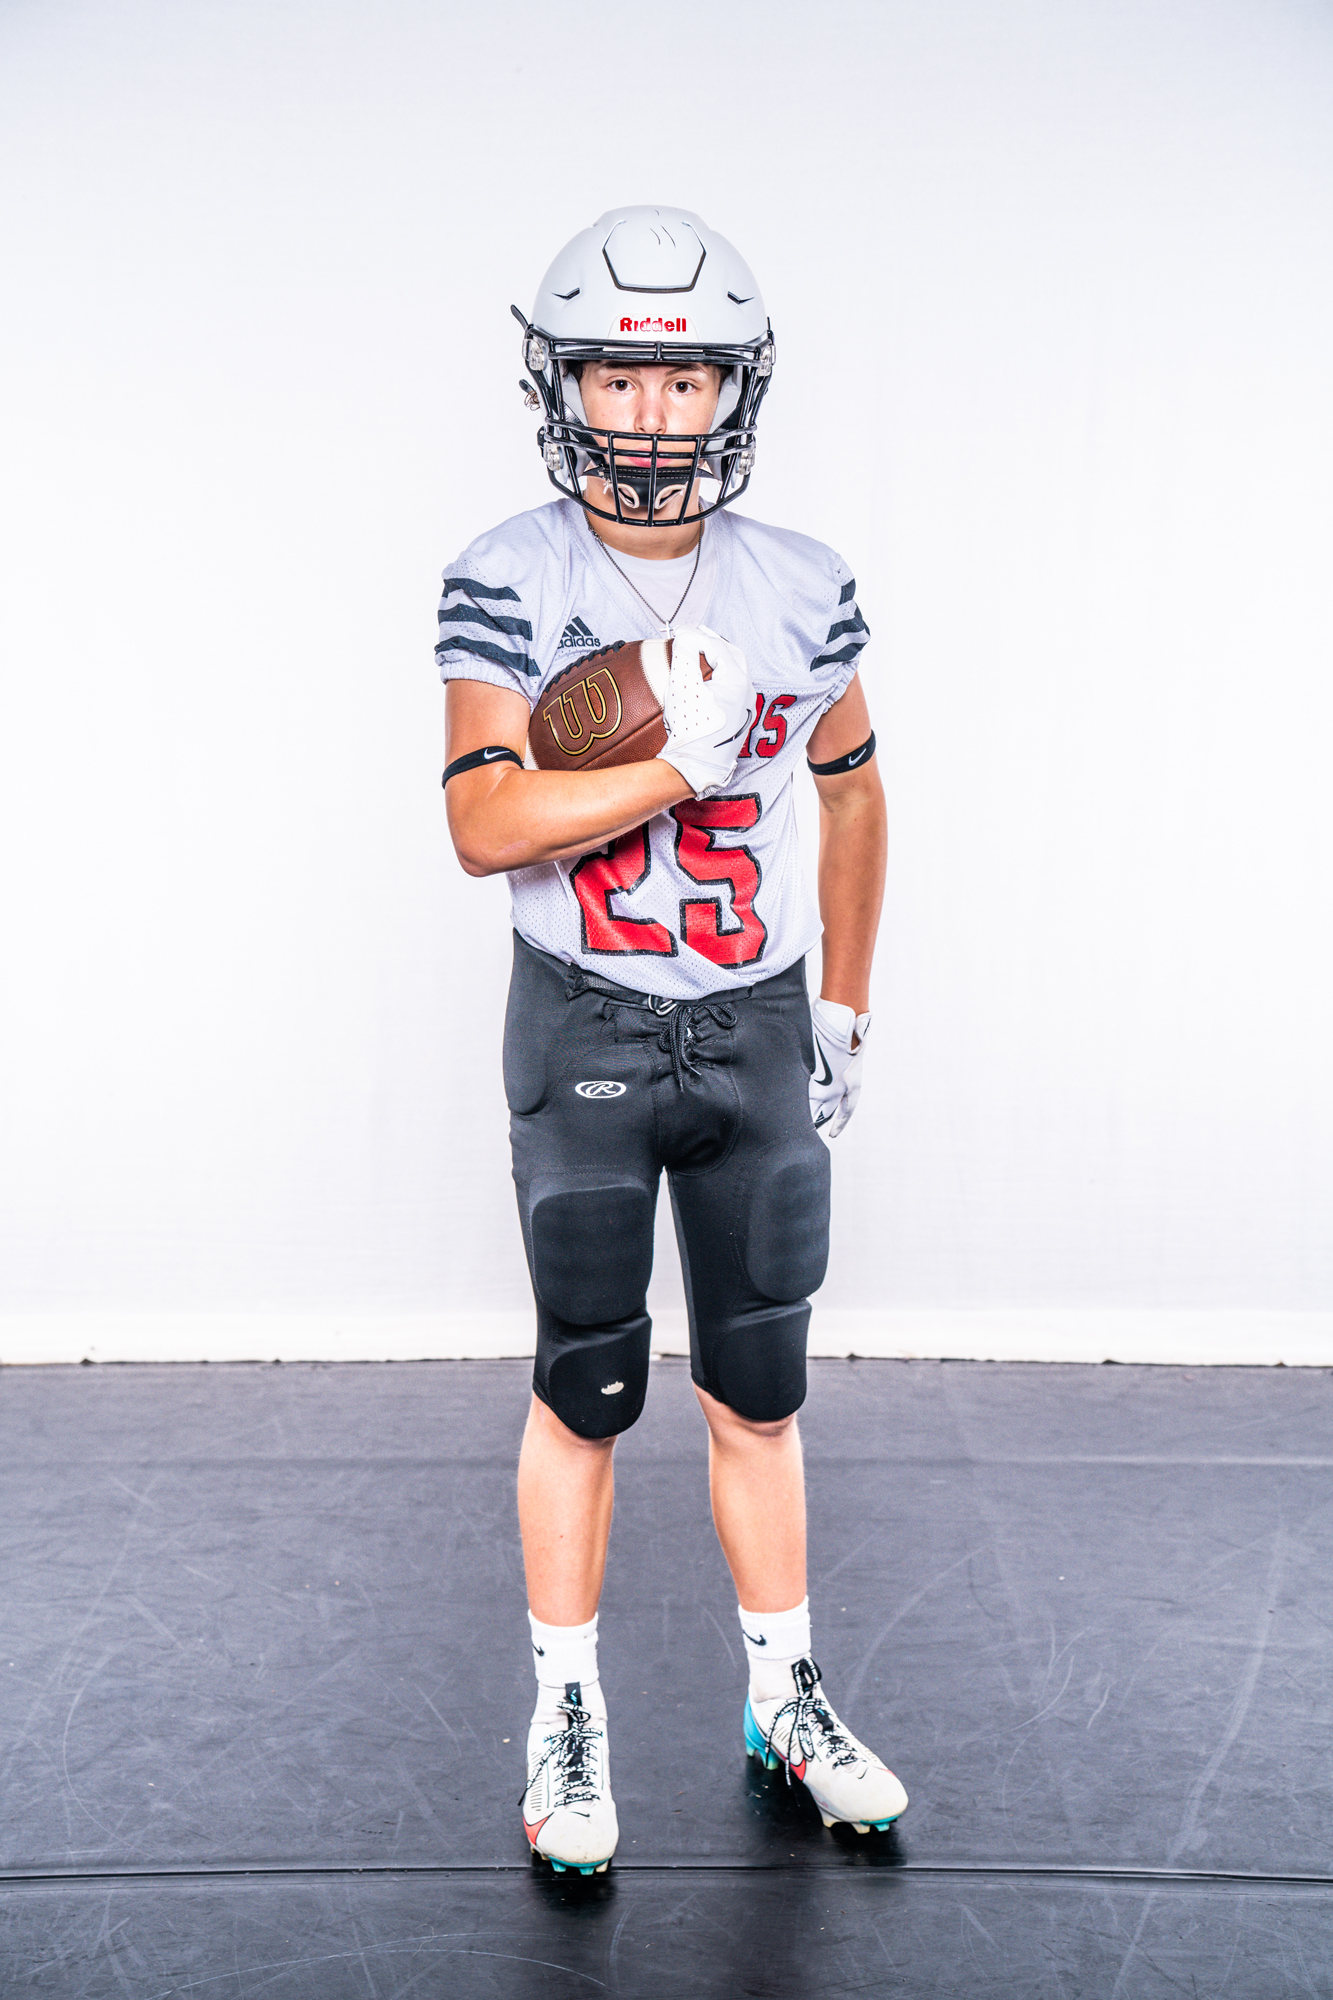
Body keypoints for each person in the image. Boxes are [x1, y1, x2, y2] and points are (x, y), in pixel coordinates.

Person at [437, 206, 908, 1876]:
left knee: (760, 1384)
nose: (649, 415)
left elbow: (854, 791)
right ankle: (565, 1710)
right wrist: (670, 767)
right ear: (561, 387)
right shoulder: (509, 572)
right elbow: (482, 826)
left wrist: (843, 992)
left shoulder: (803, 581)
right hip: (583, 1017)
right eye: (618, 379)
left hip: (755, 1017)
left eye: (684, 377)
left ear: (734, 389)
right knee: (586, 1380)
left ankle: (784, 1695)